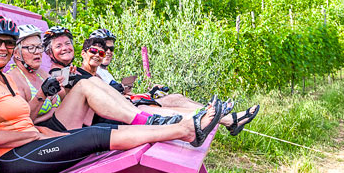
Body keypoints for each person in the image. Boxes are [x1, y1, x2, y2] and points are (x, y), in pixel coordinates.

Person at [0, 15, 224, 173]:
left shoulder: (3, 78)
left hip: (32, 144)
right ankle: (185, 130)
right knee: (94, 136)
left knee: (99, 130)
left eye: (8, 43)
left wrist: (44, 127)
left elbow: (25, 120)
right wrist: (33, 133)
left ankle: (184, 127)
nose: (3, 48)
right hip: (12, 159)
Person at [10, 24, 183, 133]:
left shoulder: (44, 73)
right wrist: (46, 95)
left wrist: (68, 88)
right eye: (31, 48)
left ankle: (154, 119)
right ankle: (150, 120)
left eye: (38, 47)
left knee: (92, 83)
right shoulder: (23, 77)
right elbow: (25, 121)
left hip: (77, 119)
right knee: (89, 85)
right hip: (56, 129)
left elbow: (64, 101)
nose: (37, 52)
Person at [87, 28, 260, 136]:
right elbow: (109, 100)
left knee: (176, 97)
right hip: (124, 114)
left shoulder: (104, 72)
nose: (107, 52)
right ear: (87, 51)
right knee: (172, 108)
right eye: (102, 49)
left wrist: (149, 92)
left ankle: (227, 118)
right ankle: (227, 119)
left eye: (111, 49)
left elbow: (122, 95)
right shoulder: (92, 73)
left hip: (130, 105)